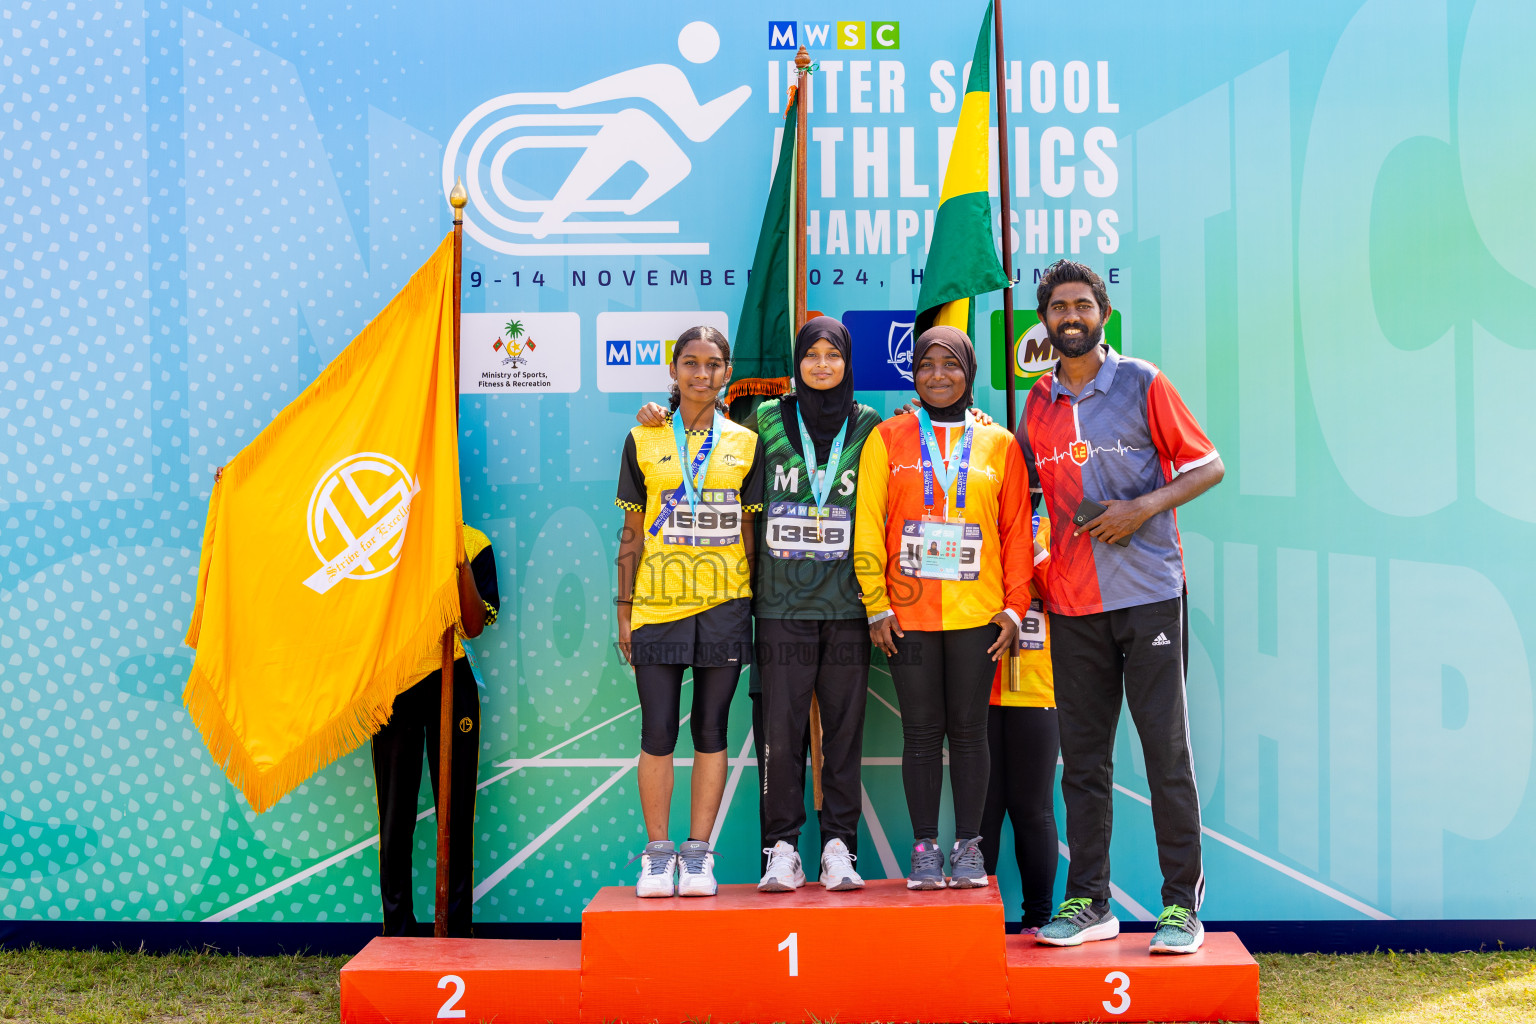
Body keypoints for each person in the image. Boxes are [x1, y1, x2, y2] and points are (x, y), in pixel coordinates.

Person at [637, 316, 883, 893]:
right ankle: (782, 850)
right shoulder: (764, 420)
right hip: (777, 606)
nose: (822, 365)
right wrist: (655, 414)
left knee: (845, 734)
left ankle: (840, 850)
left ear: (848, 363)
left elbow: (911, 453)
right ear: (796, 362)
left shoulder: (871, 425)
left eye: (833, 355)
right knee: (780, 733)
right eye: (811, 355)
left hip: (848, 604)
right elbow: (699, 431)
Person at [1021, 260, 1224, 954]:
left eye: (1082, 304)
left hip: (1150, 597)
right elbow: (1030, 497)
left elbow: (1208, 465)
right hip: (1073, 605)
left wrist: (1142, 507)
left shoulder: (1142, 380)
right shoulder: (1038, 403)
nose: (1069, 316)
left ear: (1102, 313)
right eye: (1057, 307)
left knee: (1166, 754)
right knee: (1082, 760)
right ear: (1044, 320)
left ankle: (1180, 909)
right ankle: (1091, 901)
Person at [854, 325, 1032, 890]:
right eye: (926, 364)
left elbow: (1016, 535)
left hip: (977, 615)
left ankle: (970, 847)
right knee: (923, 733)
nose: (938, 374)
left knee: (971, 731)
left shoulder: (999, 444)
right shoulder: (888, 437)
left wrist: (1013, 607)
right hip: (907, 618)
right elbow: (869, 526)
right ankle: (926, 848)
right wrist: (876, 606)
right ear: (913, 372)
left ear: (969, 372)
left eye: (950, 364)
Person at [614, 325, 764, 898]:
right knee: (656, 732)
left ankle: (698, 855)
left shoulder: (745, 443)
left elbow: (749, 531)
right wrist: (623, 610)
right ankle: (657, 855)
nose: (702, 374)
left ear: (728, 373)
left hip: (725, 607)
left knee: (711, 730)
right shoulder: (643, 438)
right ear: (674, 371)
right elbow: (631, 531)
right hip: (657, 606)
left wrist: (748, 603)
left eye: (714, 364)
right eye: (691, 364)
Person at [371, 524, 499, 938]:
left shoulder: (474, 542)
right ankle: (399, 931)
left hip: (452, 678)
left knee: (456, 812)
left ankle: (457, 930)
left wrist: (458, 560)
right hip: (395, 684)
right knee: (395, 814)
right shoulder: (378, 539)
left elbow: (474, 625)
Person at [978, 511, 1059, 934]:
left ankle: (1039, 919)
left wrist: (1030, 545)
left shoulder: (1050, 523)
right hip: (981, 686)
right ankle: (980, 921)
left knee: (1033, 808)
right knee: (984, 808)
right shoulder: (978, 517)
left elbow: (1061, 591)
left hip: (1037, 685)